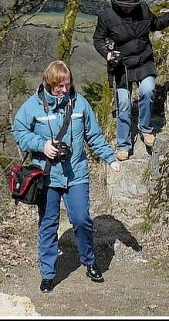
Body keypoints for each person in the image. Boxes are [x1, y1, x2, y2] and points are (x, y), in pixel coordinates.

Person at [11, 60, 122, 294]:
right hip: (47, 175)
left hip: (76, 173)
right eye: (60, 86)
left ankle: (89, 262)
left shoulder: (80, 104)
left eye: (68, 85)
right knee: (48, 224)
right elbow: (19, 131)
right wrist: (42, 145)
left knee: (82, 220)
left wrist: (110, 158)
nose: (64, 90)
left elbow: (94, 135)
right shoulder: (33, 106)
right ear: (48, 84)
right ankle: (48, 274)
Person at [93, 0, 169, 160]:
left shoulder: (143, 9)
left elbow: (157, 23)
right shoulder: (106, 15)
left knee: (148, 90)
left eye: (131, 6)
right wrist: (107, 53)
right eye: (125, 6)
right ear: (118, 3)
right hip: (121, 66)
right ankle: (123, 144)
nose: (128, 9)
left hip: (144, 60)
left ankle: (145, 129)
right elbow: (98, 39)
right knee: (124, 104)